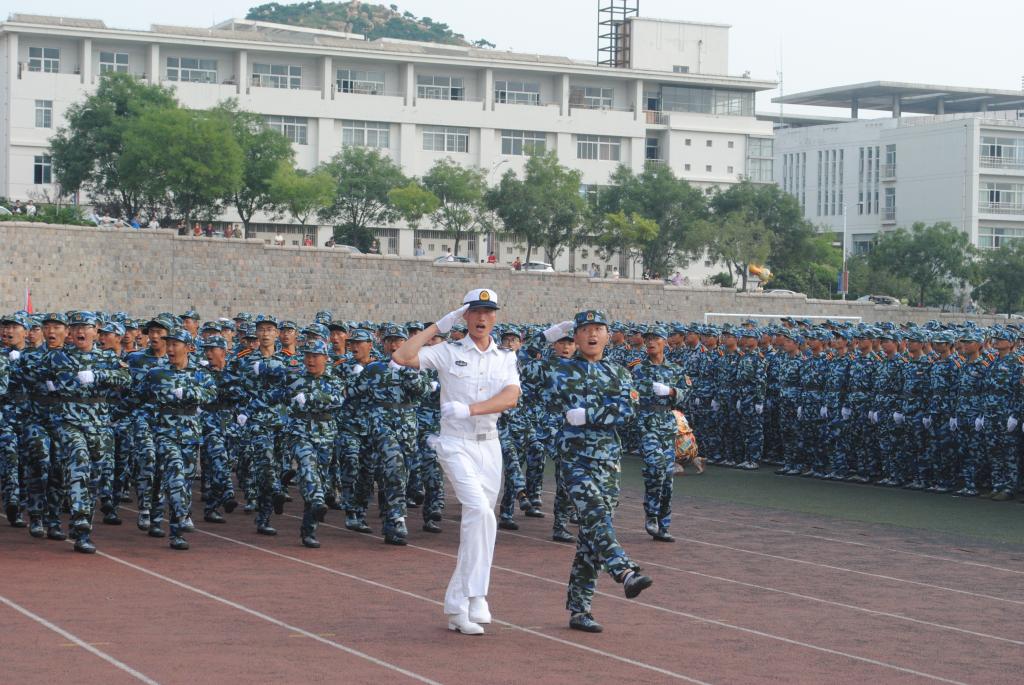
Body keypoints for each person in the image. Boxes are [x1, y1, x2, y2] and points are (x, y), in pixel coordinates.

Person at [391, 288, 521, 636]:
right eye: (475, 311)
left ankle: (457, 606)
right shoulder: (449, 351)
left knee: (481, 524)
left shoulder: (504, 357)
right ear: (465, 316)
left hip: (489, 445)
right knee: (479, 511)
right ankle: (477, 595)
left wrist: (471, 409)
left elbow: (511, 396)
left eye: (488, 312)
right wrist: (438, 326)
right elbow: (402, 356)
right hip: (455, 444)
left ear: (495, 317)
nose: (482, 318)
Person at [538, 311, 652, 634]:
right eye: (585, 329)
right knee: (596, 517)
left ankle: (580, 609)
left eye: (598, 329)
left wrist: (588, 415)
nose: (592, 335)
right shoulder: (558, 369)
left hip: (608, 461)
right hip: (574, 459)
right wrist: (548, 335)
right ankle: (624, 571)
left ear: (607, 335)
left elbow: (628, 411)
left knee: (592, 536)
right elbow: (520, 362)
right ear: (574, 337)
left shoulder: (618, 372)